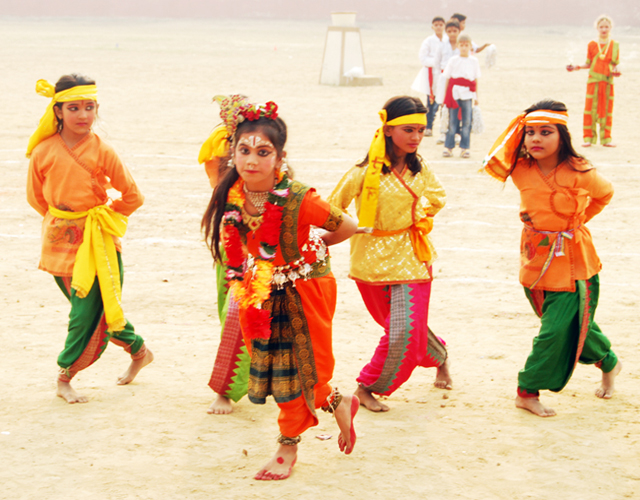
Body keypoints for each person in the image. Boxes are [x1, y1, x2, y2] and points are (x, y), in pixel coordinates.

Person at [201, 95, 359, 480]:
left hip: (307, 288)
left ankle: (287, 448)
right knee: (278, 371)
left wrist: (314, 247)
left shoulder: (301, 198)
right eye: (244, 150)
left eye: (263, 152)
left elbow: (348, 226)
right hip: (262, 289)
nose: (251, 160)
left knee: (305, 370)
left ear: (280, 157)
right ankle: (339, 402)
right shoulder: (231, 196)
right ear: (233, 152)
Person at [483, 99, 621, 418]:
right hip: (535, 260)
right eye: (530, 132)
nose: (536, 139)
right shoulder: (519, 168)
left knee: (554, 331)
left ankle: (527, 390)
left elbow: (605, 194)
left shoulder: (580, 171)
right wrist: (519, 125)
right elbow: (496, 156)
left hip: (574, 262)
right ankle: (609, 362)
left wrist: (577, 221)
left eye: (546, 132)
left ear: (562, 136)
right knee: (567, 324)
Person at [26, 74, 153, 404]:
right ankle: (139, 351)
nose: (83, 115)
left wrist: (103, 216)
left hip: (97, 244)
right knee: (95, 311)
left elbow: (133, 196)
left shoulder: (103, 151)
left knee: (84, 316)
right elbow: (36, 198)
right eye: (74, 108)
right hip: (57, 244)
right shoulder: (42, 151)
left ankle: (64, 376)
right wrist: (62, 219)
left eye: (89, 107)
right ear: (58, 111)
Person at [328, 96, 451, 413]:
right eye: (408, 130)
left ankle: (367, 387)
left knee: (404, 330)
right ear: (387, 130)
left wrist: (417, 217)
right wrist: (344, 230)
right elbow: (331, 208)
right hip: (369, 259)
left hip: (412, 255)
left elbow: (437, 197)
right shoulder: (362, 173)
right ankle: (440, 357)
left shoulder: (420, 169)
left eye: (421, 130)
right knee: (402, 327)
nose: (416, 137)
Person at [198, 104, 251, 415]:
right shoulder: (223, 155)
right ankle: (235, 383)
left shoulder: (272, 161)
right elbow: (218, 182)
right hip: (231, 250)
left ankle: (229, 389)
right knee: (230, 316)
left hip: (265, 255)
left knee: (244, 318)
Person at [567, 15, 620, 147]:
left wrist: (616, 71)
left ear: (610, 28)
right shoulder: (592, 44)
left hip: (607, 82)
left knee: (606, 109)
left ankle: (606, 139)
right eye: (601, 27)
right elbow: (589, 63)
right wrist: (577, 67)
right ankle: (588, 138)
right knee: (590, 109)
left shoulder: (614, 45)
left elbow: (615, 65)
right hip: (593, 81)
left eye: (606, 27)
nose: (604, 29)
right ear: (597, 28)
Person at [437, 34, 480, 158]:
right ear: (457, 46)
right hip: (454, 94)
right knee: (452, 121)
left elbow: (475, 80)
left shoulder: (474, 61)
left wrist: (476, 97)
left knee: (467, 122)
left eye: (466, 45)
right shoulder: (453, 60)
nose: (464, 48)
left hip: (468, 94)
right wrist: (445, 97)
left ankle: (465, 148)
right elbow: (447, 78)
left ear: (470, 46)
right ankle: (448, 147)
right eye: (461, 45)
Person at [411, 16, 446, 137]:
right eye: (436, 25)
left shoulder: (447, 41)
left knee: (445, 103)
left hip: (444, 74)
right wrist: (437, 62)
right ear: (432, 27)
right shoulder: (428, 41)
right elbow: (423, 58)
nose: (439, 27)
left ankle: (444, 128)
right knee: (431, 103)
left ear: (444, 26)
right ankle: (429, 127)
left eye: (441, 25)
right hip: (432, 75)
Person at [433, 19, 461, 145]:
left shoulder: (462, 45)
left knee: (458, 105)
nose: (452, 34)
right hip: (444, 78)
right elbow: (436, 63)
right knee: (444, 105)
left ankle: (456, 133)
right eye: (449, 31)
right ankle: (443, 133)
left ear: (459, 31)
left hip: (458, 78)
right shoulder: (441, 45)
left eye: (455, 31)